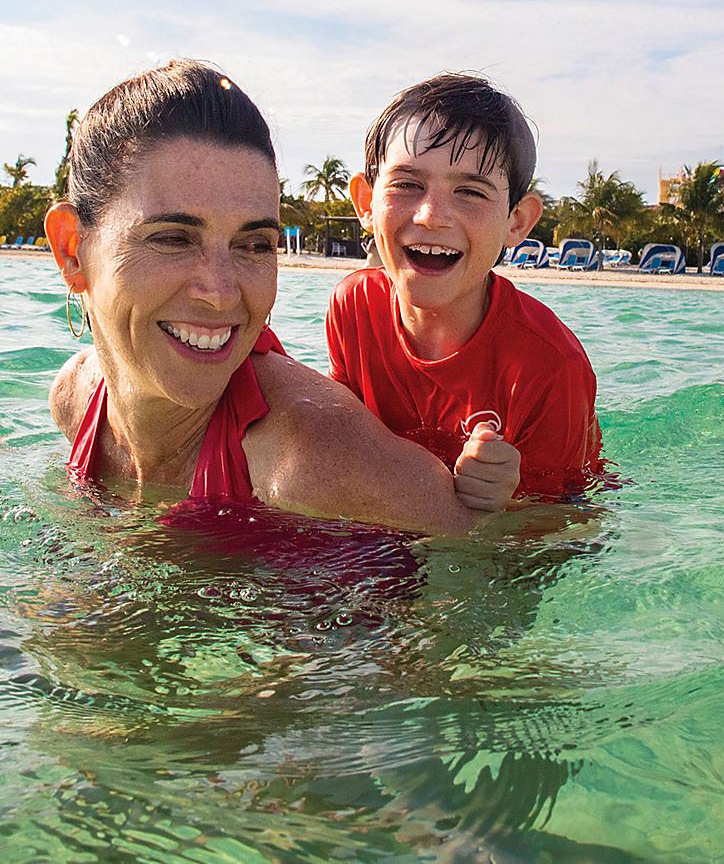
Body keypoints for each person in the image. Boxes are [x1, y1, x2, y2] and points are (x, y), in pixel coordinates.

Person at [44, 60, 492, 535]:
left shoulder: (315, 456)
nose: (219, 294)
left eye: (253, 245)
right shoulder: (74, 400)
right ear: (72, 250)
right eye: (173, 238)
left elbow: (498, 565)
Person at [325, 72, 603, 507]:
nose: (432, 216)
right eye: (407, 185)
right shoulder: (353, 308)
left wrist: (509, 501)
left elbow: (571, 526)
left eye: (470, 192)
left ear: (517, 222)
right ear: (365, 203)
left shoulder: (550, 367)